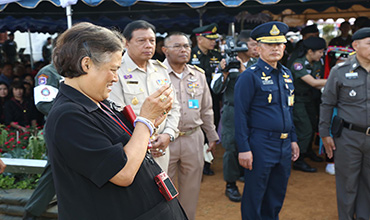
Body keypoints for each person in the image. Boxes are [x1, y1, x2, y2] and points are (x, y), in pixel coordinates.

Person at [45, 22, 187, 220]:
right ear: (86, 64)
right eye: (112, 69)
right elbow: (122, 173)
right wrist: (145, 120)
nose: (115, 78)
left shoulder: (95, 102)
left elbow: (128, 147)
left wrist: (151, 123)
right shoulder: (67, 117)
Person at [234, 21, 300, 220]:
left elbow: (288, 109)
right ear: (258, 48)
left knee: (276, 194)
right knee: (255, 195)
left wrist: (294, 139)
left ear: (284, 47)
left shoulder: (287, 74)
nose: (275, 48)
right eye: (270, 44)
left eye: (279, 44)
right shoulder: (249, 77)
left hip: (284, 143)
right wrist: (244, 148)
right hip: (260, 143)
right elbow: (240, 115)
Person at [109, 20, 180, 173]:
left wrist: (168, 134)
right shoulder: (116, 71)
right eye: (141, 40)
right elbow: (116, 115)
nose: (148, 45)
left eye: (152, 41)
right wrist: (145, 141)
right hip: (131, 149)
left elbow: (174, 107)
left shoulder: (160, 70)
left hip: (160, 148)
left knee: (161, 193)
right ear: (125, 43)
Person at [162, 32, 219, 220]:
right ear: (165, 50)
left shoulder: (198, 75)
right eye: (177, 46)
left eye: (186, 46)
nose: (183, 50)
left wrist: (211, 135)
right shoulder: (155, 74)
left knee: (191, 190)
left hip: (193, 137)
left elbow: (206, 109)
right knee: (162, 190)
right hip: (164, 140)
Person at [319, 27, 370, 220]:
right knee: (347, 184)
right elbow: (327, 103)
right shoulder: (339, 71)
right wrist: (325, 134)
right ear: (355, 46)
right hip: (349, 138)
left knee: (368, 184)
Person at [211, 30, 259, 202]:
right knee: (231, 147)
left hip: (254, 111)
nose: (257, 47)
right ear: (242, 45)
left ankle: (249, 178)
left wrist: (242, 69)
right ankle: (230, 184)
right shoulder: (225, 63)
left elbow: (258, 85)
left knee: (254, 145)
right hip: (232, 110)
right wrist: (224, 72)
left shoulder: (258, 63)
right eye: (253, 44)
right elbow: (215, 89)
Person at [23, 64, 63, 220]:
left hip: (73, 126)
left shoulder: (75, 69)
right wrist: (72, 111)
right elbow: (44, 104)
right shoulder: (48, 73)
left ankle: (33, 210)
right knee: (54, 170)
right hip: (59, 127)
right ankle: (32, 211)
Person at [290, 37, 327, 172]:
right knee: (304, 129)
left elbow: (318, 83)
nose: (322, 55)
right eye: (320, 52)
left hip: (309, 99)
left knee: (312, 126)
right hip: (297, 100)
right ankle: (298, 159)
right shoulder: (298, 64)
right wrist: (336, 79)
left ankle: (307, 151)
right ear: (310, 51)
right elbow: (313, 82)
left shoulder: (317, 63)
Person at [190, 23, 223, 176]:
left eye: (214, 39)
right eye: (210, 39)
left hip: (212, 100)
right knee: (196, 130)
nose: (213, 42)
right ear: (199, 39)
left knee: (211, 128)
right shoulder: (189, 55)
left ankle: (207, 162)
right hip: (193, 100)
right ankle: (196, 162)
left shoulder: (217, 56)